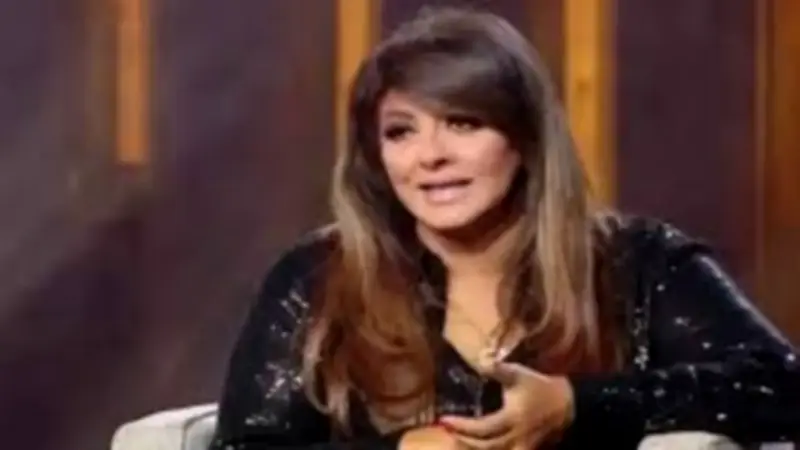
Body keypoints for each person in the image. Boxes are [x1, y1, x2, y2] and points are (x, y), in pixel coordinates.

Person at [209, 7, 799, 450]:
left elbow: (781, 387)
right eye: (400, 132)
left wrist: (576, 406)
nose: (429, 156)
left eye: (463, 124)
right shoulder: (319, 278)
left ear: (525, 138)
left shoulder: (638, 265)